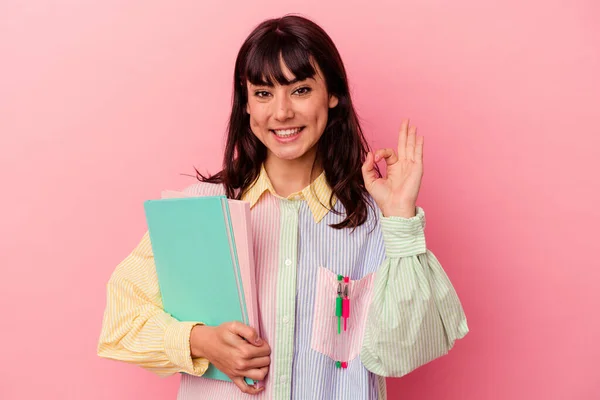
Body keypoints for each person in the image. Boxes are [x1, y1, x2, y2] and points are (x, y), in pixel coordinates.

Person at [97, 14, 468, 400]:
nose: (281, 112)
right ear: (246, 105)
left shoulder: (375, 220)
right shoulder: (200, 212)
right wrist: (200, 341)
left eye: (300, 90)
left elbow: (401, 354)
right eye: (263, 93)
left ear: (333, 94)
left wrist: (401, 218)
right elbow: (120, 323)